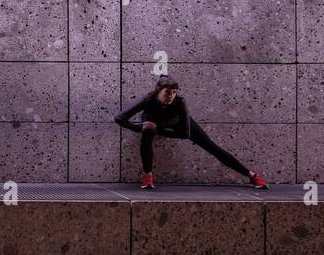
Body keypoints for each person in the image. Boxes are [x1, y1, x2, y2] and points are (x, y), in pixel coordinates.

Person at [114, 75, 268, 190]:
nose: (171, 96)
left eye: (174, 92)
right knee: (146, 139)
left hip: (178, 124)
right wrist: (140, 127)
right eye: (168, 92)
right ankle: (148, 175)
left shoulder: (180, 102)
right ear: (158, 91)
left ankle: (252, 176)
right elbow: (119, 118)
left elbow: (185, 134)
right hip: (153, 120)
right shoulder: (148, 100)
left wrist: (158, 129)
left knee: (212, 147)